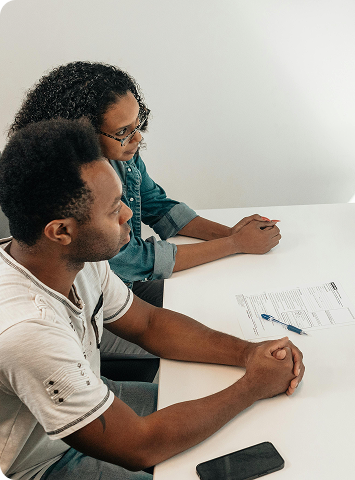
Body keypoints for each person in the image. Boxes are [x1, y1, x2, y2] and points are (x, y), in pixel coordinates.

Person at [0, 119, 305, 480]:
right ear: (61, 231)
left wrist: (249, 353)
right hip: (39, 465)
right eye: (113, 209)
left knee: (241, 423)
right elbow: (137, 445)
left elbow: (148, 323)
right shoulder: (28, 330)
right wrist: (252, 386)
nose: (128, 214)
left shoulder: (76, 259)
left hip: (93, 399)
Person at [9, 61, 281, 365]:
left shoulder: (122, 157)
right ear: (82, 133)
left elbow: (157, 205)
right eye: (123, 131)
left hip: (120, 293)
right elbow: (133, 259)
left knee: (209, 311)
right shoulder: (61, 189)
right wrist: (234, 244)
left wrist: (233, 233)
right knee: (182, 355)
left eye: (138, 124)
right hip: (96, 314)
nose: (138, 138)